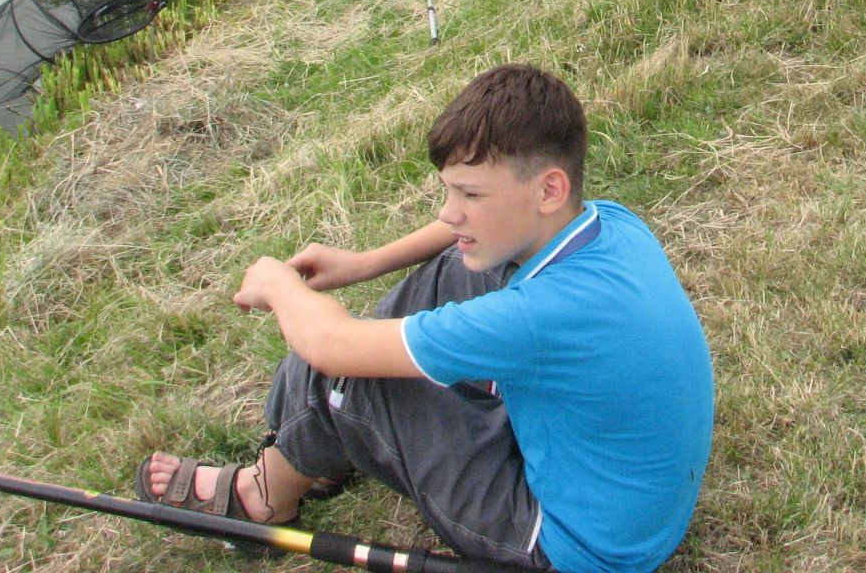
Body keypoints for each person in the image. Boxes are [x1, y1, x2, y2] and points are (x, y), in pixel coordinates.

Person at [136, 64, 715, 573]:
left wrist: (277, 283)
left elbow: (330, 345)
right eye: (448, 190)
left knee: (349, 379)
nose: (449, 210)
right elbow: (457, 237)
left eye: (471, 194)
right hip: (630, 508)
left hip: (572, 546)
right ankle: (319, 446)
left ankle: (263, 494)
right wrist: (362, 264)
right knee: (458, 265)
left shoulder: (540, 316)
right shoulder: (607, 224)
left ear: (548, 188)